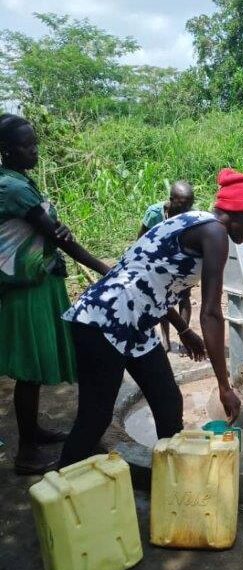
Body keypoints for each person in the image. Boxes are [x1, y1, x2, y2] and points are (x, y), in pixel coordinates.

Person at [58, 168, 243, 468]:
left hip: (135, 324)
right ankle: (61, 484)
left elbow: (152, 282)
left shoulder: (193, 221)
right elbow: (210, 313)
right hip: (103, 320)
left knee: (168, 401)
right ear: (239, 214)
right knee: (95, 417)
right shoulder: (215, 234)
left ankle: (173, 480)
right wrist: (225, 386)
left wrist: (183, 329)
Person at [0, 114, 108, 475]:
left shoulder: (17, 181)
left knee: (35, 365)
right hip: (28, 290)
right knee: (29, 369)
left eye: (35, 143)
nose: (35, 150)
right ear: (7, 150)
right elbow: (57, 235)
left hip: (40, 283)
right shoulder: (13, 188)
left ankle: (35, 432)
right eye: (27, 145)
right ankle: (26, 452)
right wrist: (102, 267)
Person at [138, 181, 195, 352]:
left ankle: (184, 336)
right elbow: (141, 237)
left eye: (189, 206)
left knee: (184, 296)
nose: (185, 210)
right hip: (158, 260)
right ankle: (165, 338)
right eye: (182, 205)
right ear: (171, 200)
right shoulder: (154, 213)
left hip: (181, 258)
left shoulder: (191, 215)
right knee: (162, 298)